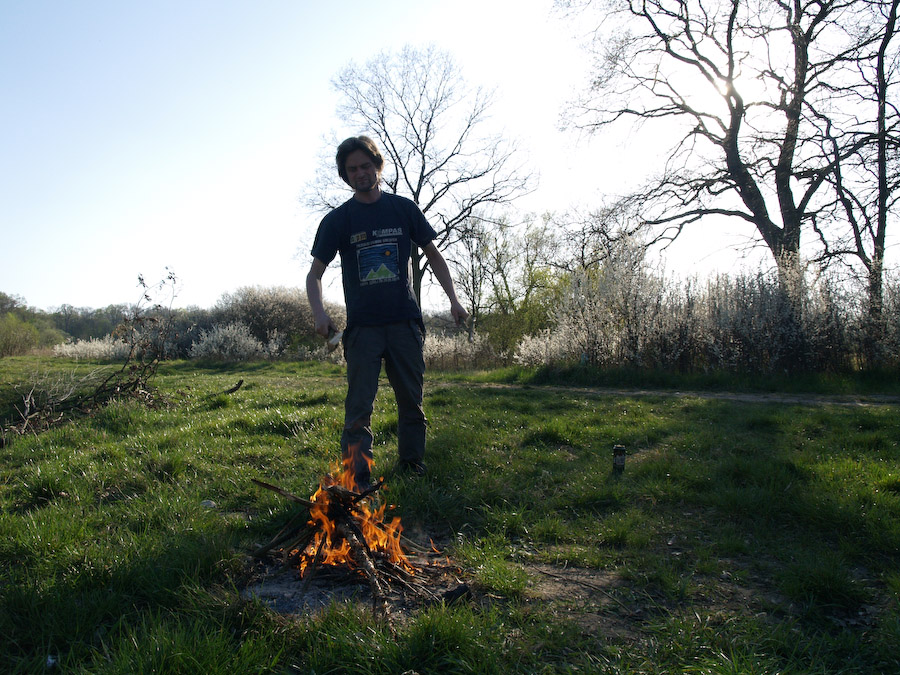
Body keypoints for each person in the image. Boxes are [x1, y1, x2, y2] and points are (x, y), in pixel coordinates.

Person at [306, 136, 468, 491]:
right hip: (362, 329)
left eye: (366, 166)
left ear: (378, 167)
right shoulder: (338, 220)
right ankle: (357, 479)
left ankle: (412, 466)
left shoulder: (403, 209)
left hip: (404, 323)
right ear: (345, 175)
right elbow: (314, 274)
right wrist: (319, 313)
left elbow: (434, 255)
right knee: (358, 408)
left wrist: (454, 300)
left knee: (411, 401)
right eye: (352, 169)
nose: (360, 173)